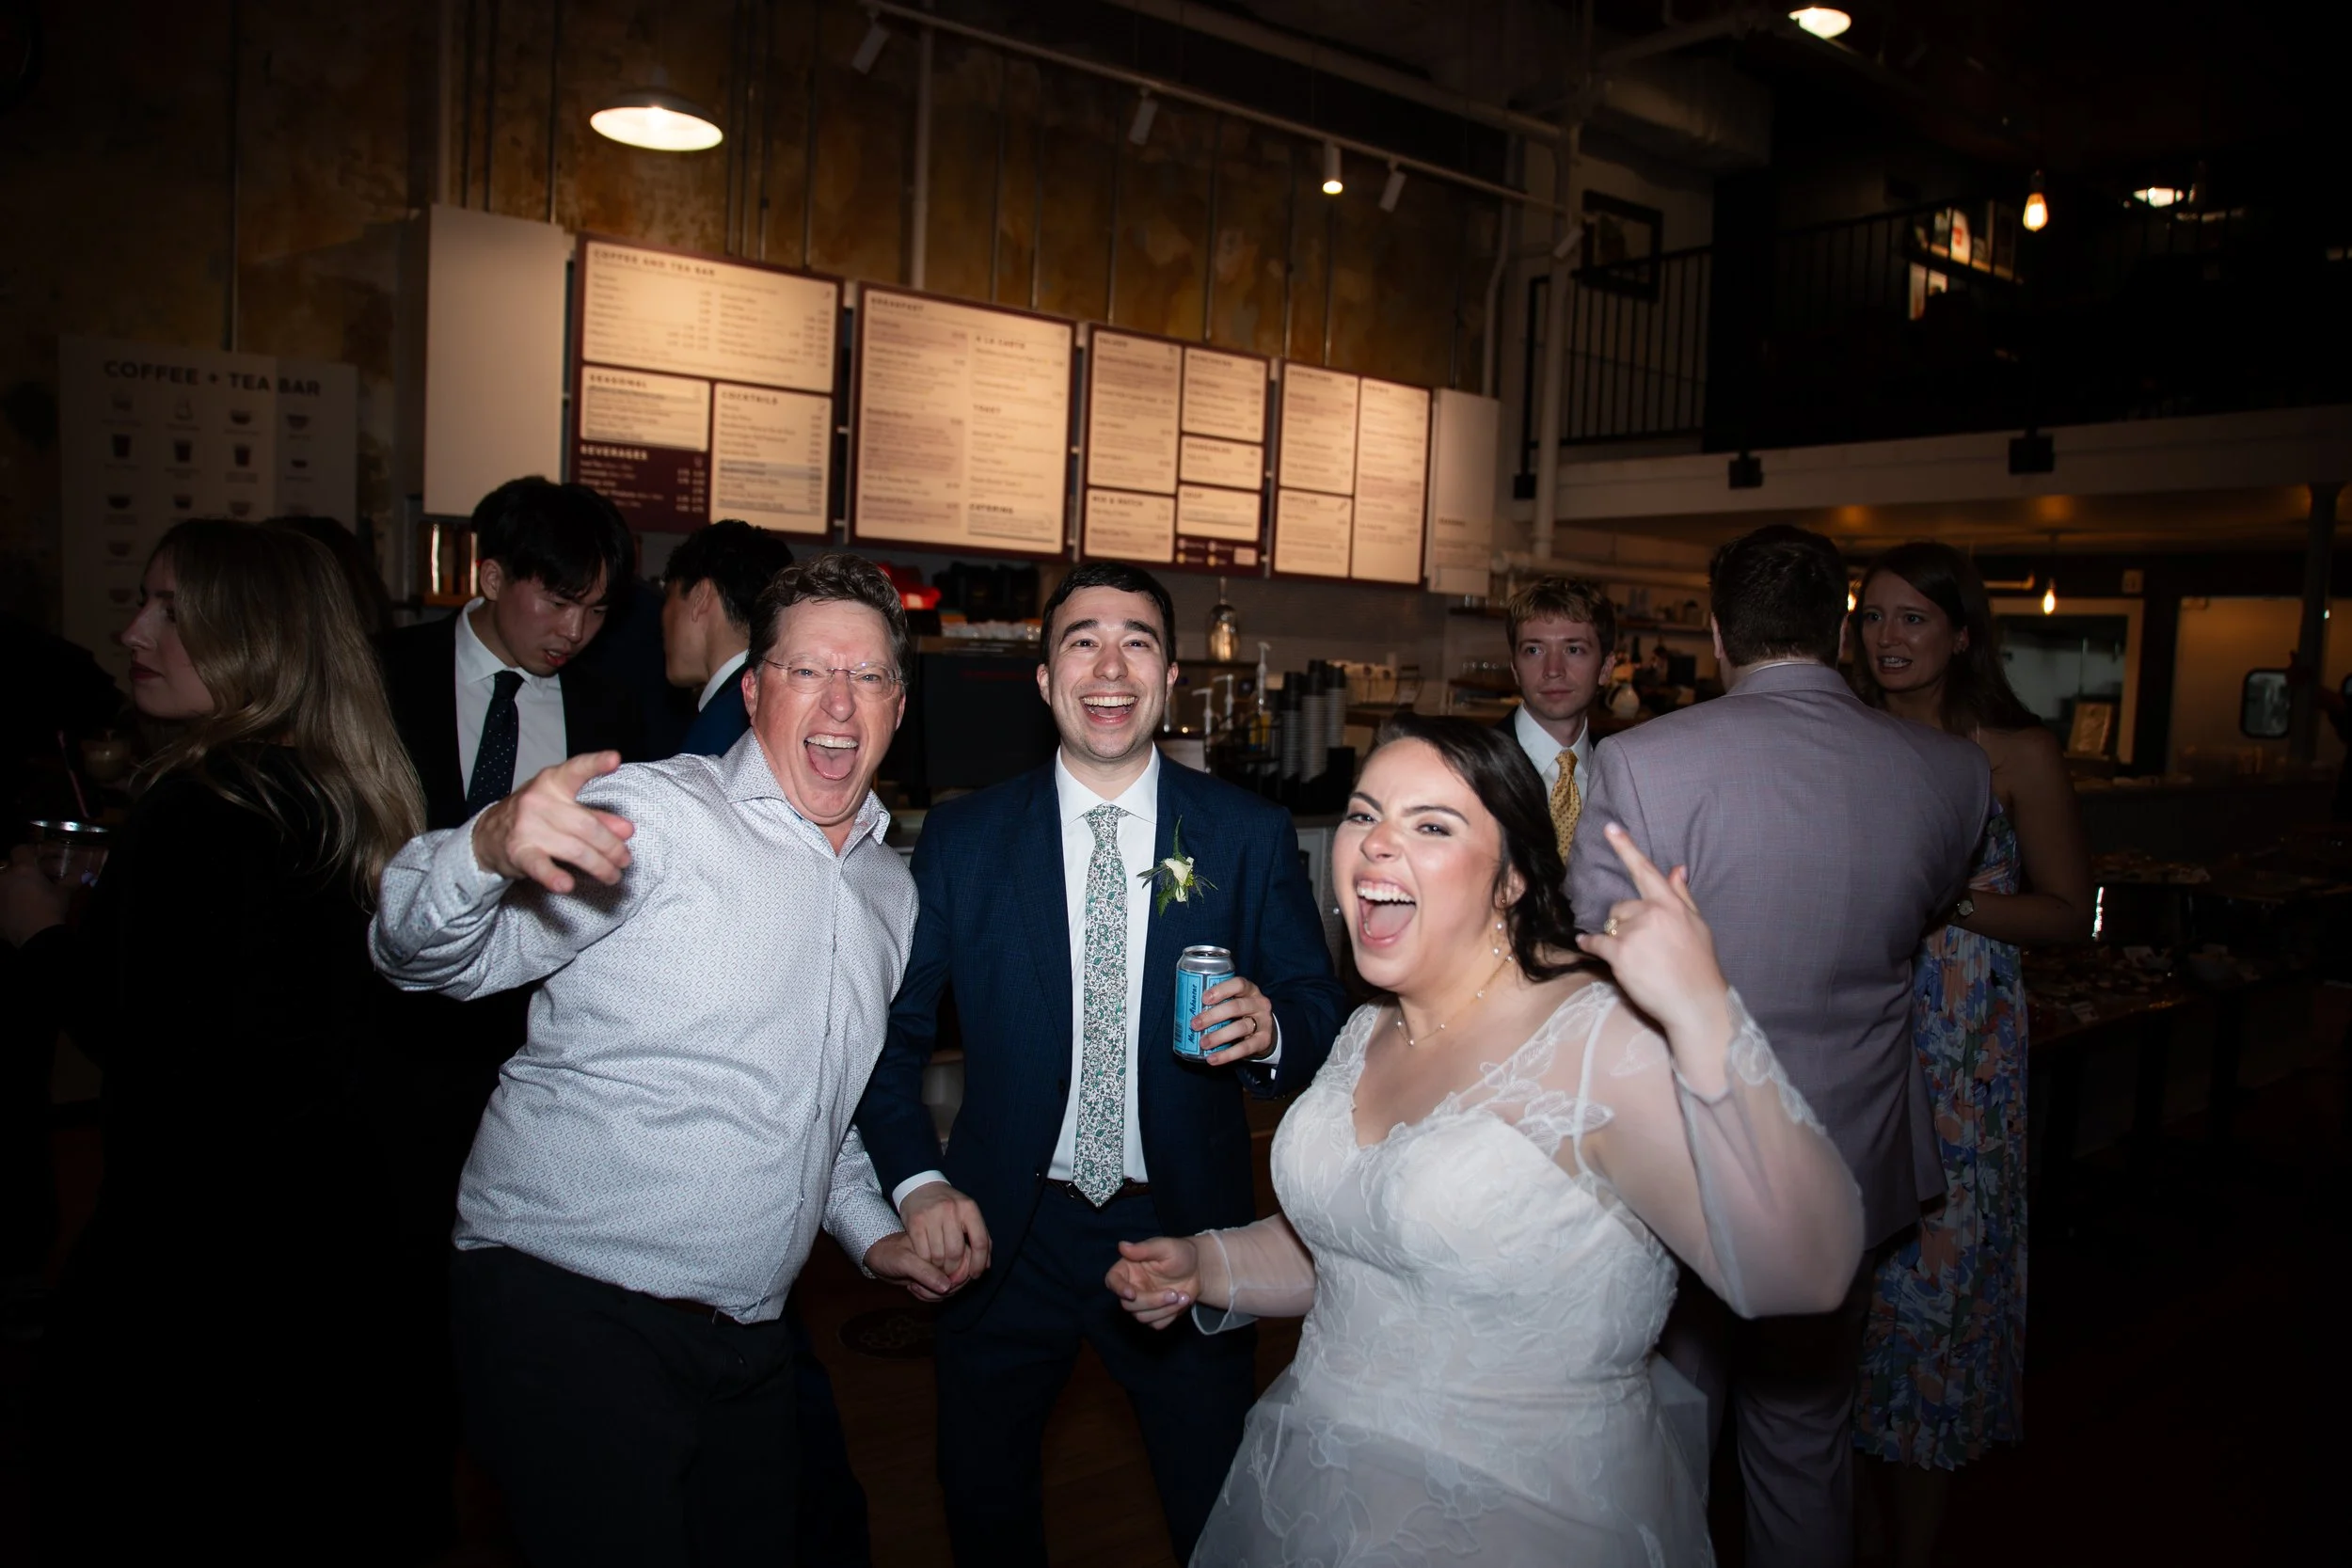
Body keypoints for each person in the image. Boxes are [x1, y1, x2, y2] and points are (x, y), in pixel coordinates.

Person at [1105, 714, 1865, 1563]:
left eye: (1431, 824)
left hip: (1530, 1517)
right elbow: (1359, 1254)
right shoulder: (1365, 1033)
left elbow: (1804, 1272)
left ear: (1510, 879)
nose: (1377, 846)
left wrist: (1704, 1012)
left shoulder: (1600, 1043)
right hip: (1319, 1494)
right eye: (1364, 815)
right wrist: (1208, 1266)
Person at [371, 554, 960, 1567]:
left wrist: (874, 1234)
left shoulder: (888, 894)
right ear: (753, 689)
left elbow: (816, 1106)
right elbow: (422, 957)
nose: (836, 701)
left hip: (747, 1329)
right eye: (806, 670)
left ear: (897, 707)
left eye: (866, 677)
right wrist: (486, 844)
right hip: (568, 1296)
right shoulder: (655, 815)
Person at [855, 561, 1348, 1564]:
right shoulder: (963, 838)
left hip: (1184, 1228)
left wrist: (1274, 1027)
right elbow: (889, 1034)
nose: (1109, 664)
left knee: (1211, 1511)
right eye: (1081, 639)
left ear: (1167, 678)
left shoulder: (1245, 835)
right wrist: (913, 1180)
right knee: (985, 1507)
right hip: (1001, 1228)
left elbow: (1320, 1009)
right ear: (1044, 679)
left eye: (1136, 641)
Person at [0, 519, 426, 1561]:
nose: (136, 629)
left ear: (254, 634)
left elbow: (155, 1043)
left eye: (173, 607)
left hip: (193, 1271)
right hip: (328, 1259)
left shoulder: (202, 804)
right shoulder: (351, 797)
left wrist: (41, 934)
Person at [1569, 524, 1990, 1568]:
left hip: (1686, 1156)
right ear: (1839, 625)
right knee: (1805, 1444)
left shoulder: (1641, 761)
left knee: (1670, 1430)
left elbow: (1602, 956)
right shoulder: (1949, 772)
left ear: (1716, 635)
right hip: (1851, 1152)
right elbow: (1930, 905)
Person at [371, 474, 647, 1548]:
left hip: (532, 1047)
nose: (575, 631)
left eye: (596, 609)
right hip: (395, 1037)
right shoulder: (385, 675)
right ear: (489, 576)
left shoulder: (613, 710)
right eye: (555, 601)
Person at [1851, 542, 2092, 1566]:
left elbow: (2067, 913)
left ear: (1960, 634)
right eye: (1874, 619)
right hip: (1857, 1036)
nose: (1889, 638)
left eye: (1913, 619)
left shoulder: (2015, 750)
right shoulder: (1848, 741)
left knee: (1937, 1303)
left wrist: (1952, 902)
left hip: (1963, 1057)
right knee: (1847, 1308)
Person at [1501, 576, 1614, 861]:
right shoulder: (1470, 769)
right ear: (1515, 668)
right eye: (1534, 650)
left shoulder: (1628, 775)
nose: (1553, 670)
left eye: (1573, 649)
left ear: (1605, 668)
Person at [663, 519, 798, 756]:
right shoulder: (778, 700)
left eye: (669, 597)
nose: (663, 617)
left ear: (700, 597)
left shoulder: (731, 719)